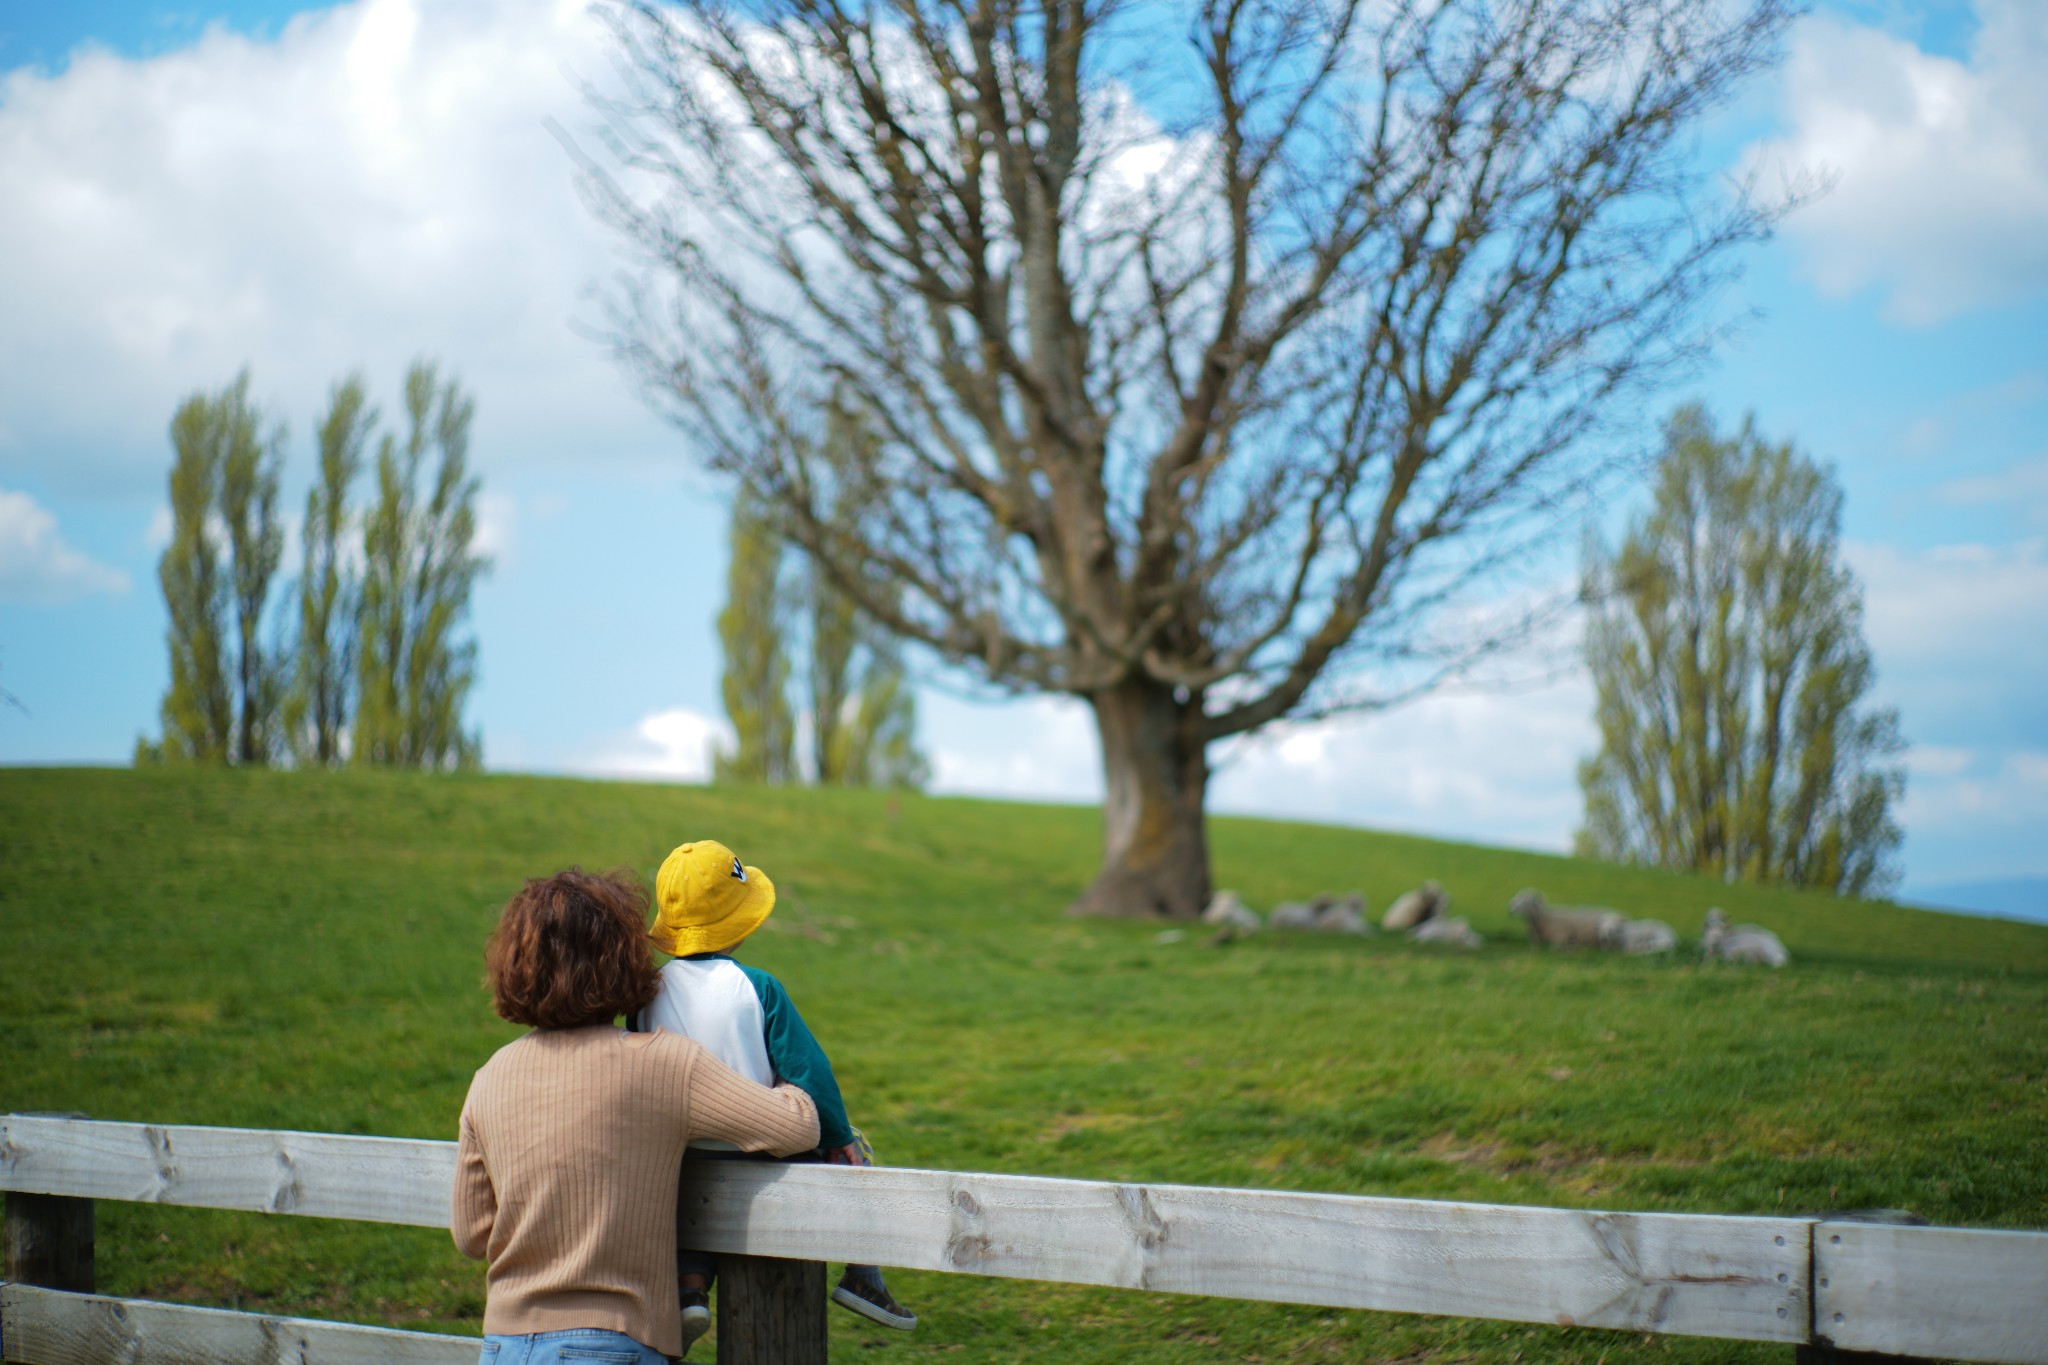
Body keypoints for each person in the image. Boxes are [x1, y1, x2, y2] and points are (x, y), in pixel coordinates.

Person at [452, 867, 820, 1364]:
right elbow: (798, 1127)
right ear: (623, 958)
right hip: (610, 1343)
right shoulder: (663, 1064)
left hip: (504, 1346)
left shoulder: (489, 1077)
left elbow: (472, 1234)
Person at [638, 838, 917, 1335]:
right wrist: (841, 1139)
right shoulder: (758, 988)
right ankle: (862, 1275)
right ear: (738, 923)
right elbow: (810, 1073)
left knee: (692, 1203)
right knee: (853, 1153)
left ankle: (691, 1289)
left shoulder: (646, 995)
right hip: (767, 1154)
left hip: (681, 1160)